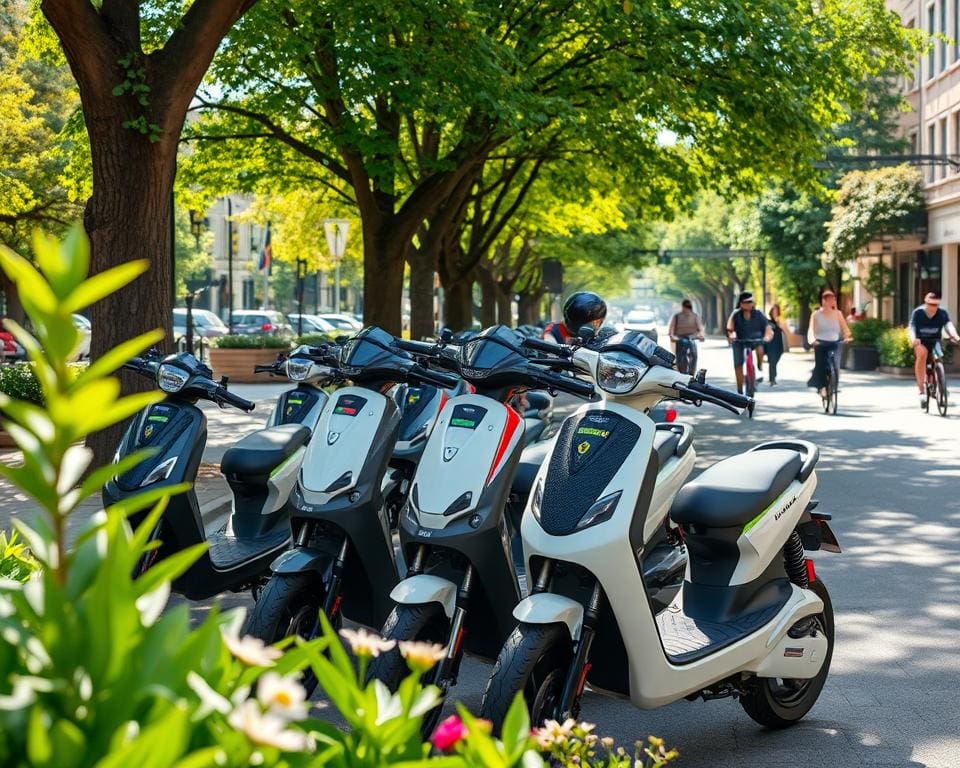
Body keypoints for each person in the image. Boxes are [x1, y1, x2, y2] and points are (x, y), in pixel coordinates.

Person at [909, 291, 960, 407]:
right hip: (920, 341)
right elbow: (911, 327)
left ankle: (941, 385)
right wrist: (913, 339)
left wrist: (955, 335)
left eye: (936, 305)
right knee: (922, 355)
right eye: (931, 305)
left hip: (935, 341)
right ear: (926, 303)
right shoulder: (918, 313)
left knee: (938, 357)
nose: (933, 308)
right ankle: (922, 391)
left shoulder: (942, 313)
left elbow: (948, 325)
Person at [806, 287, 852, 397]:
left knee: (836, 365)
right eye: (831, 299)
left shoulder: (838, 314)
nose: (833, 301)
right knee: (821, 366)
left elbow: (844, 328)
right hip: (820, 343)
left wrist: (846, 337)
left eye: (834, 299)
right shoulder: (816, 315)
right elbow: (811, 329)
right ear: (824, 300)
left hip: (835, 342)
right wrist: (812, 340)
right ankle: (822, 387)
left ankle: (834, 387)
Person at [726, 291, 772, 394]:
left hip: (755, 340)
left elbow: (767, 328)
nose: (750, 304)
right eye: (747, 302)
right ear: (741, 303)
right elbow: (730, 328)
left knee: (760, 350)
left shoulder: (759, 314)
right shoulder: (736, 314)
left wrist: (767, 337)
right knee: (738, 365)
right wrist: (731, 335)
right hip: (739, 341)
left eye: (751, 301)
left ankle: (760, 364)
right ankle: (739, 391)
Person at [542, 291, 607, 343]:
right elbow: (549, 341)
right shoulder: (554, 329)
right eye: (596, 321)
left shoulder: (596, 336)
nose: (596, 324)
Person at [668, 299, 705, 373]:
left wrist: (701, 335)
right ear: (683, 307)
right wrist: (672, 336)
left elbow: (700, 327)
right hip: (680, 337)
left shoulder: (695, 316)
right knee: (681, 353)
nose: (687, 309)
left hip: (692, 337)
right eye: (685, 307)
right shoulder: (677, 316)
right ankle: (682, 370)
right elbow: (671, 328)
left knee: (694, 354)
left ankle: (692, 372)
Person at [763, 304, 789, 386]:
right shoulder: (768, 321)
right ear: (771, 312)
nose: (775, 312)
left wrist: (781, 325)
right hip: (770, 344)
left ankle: (773, 376)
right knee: (772, 361)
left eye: (776, 310)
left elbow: (786, 331)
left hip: (778, 344)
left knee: (775, 360)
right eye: (774, 310)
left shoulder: (780, 321)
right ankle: (772, 379)